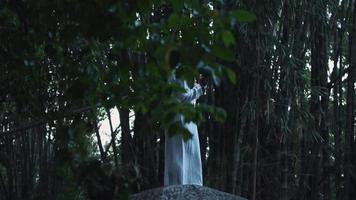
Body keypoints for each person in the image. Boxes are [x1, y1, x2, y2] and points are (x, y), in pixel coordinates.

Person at [164, 49, 204, 186]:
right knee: (183, 156)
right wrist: (198, 88)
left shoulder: (173, 73)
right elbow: (184, 97)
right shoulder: (180, 73)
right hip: (182, 120)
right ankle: (186, 187)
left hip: (177, 119)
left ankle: (179, 185)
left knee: (178, 156)